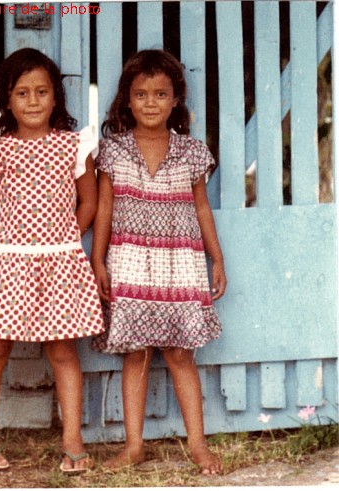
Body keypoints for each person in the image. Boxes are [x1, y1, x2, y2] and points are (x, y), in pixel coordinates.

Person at [0, 48, 104, 474]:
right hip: (10, 266)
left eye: (42, 91)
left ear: (56, 97)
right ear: (7, 100)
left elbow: (90, 201)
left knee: (63, 351)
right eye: (22, 93)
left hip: (61, 263)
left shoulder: (73, 145)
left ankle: (72, 441)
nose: (34, 100)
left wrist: (64, 240)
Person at [91, 50, 226, 475]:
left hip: (180, 262)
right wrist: (98, 260)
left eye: (160, 94)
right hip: (129, 260)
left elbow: (202, 209)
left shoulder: (191, 152)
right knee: (135, 354)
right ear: (127, 101)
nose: (151, 102)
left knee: (180, 354)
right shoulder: (112, 151)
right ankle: (134, 447)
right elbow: (104, 211)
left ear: (175, 100)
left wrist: (216, 258)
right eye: (141, 94)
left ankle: (199, 446)